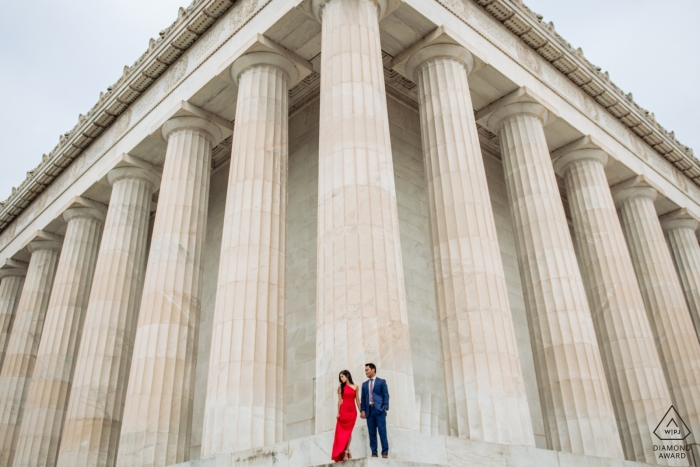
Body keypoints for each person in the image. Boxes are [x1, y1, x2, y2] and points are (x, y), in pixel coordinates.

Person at [360, 363, 389, 458]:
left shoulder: (381, 382)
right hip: (369, 411)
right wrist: (362, 410)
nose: (366, 372)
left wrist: (385, 407)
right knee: (372, 433)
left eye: (367, 370)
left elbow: (386, 395)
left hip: (379, 410)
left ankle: (384, 453)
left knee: (382, 432)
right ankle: (374, 453)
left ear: (373, 370)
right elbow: (363, 398)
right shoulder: (364, 385)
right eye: (365, 370)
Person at [331, 370, 361, 462]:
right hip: (343, 411)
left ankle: (346, 450)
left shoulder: (356, 386)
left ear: (347, 375)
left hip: (352, 412)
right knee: (343, 433)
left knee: (349, 431)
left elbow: (357, 400)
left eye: (342, 376)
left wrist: (361, 411)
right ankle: (346, 451)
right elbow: (340, 401)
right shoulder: (340, 387)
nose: (341, 378)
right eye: (340, 377)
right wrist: (338, 412)